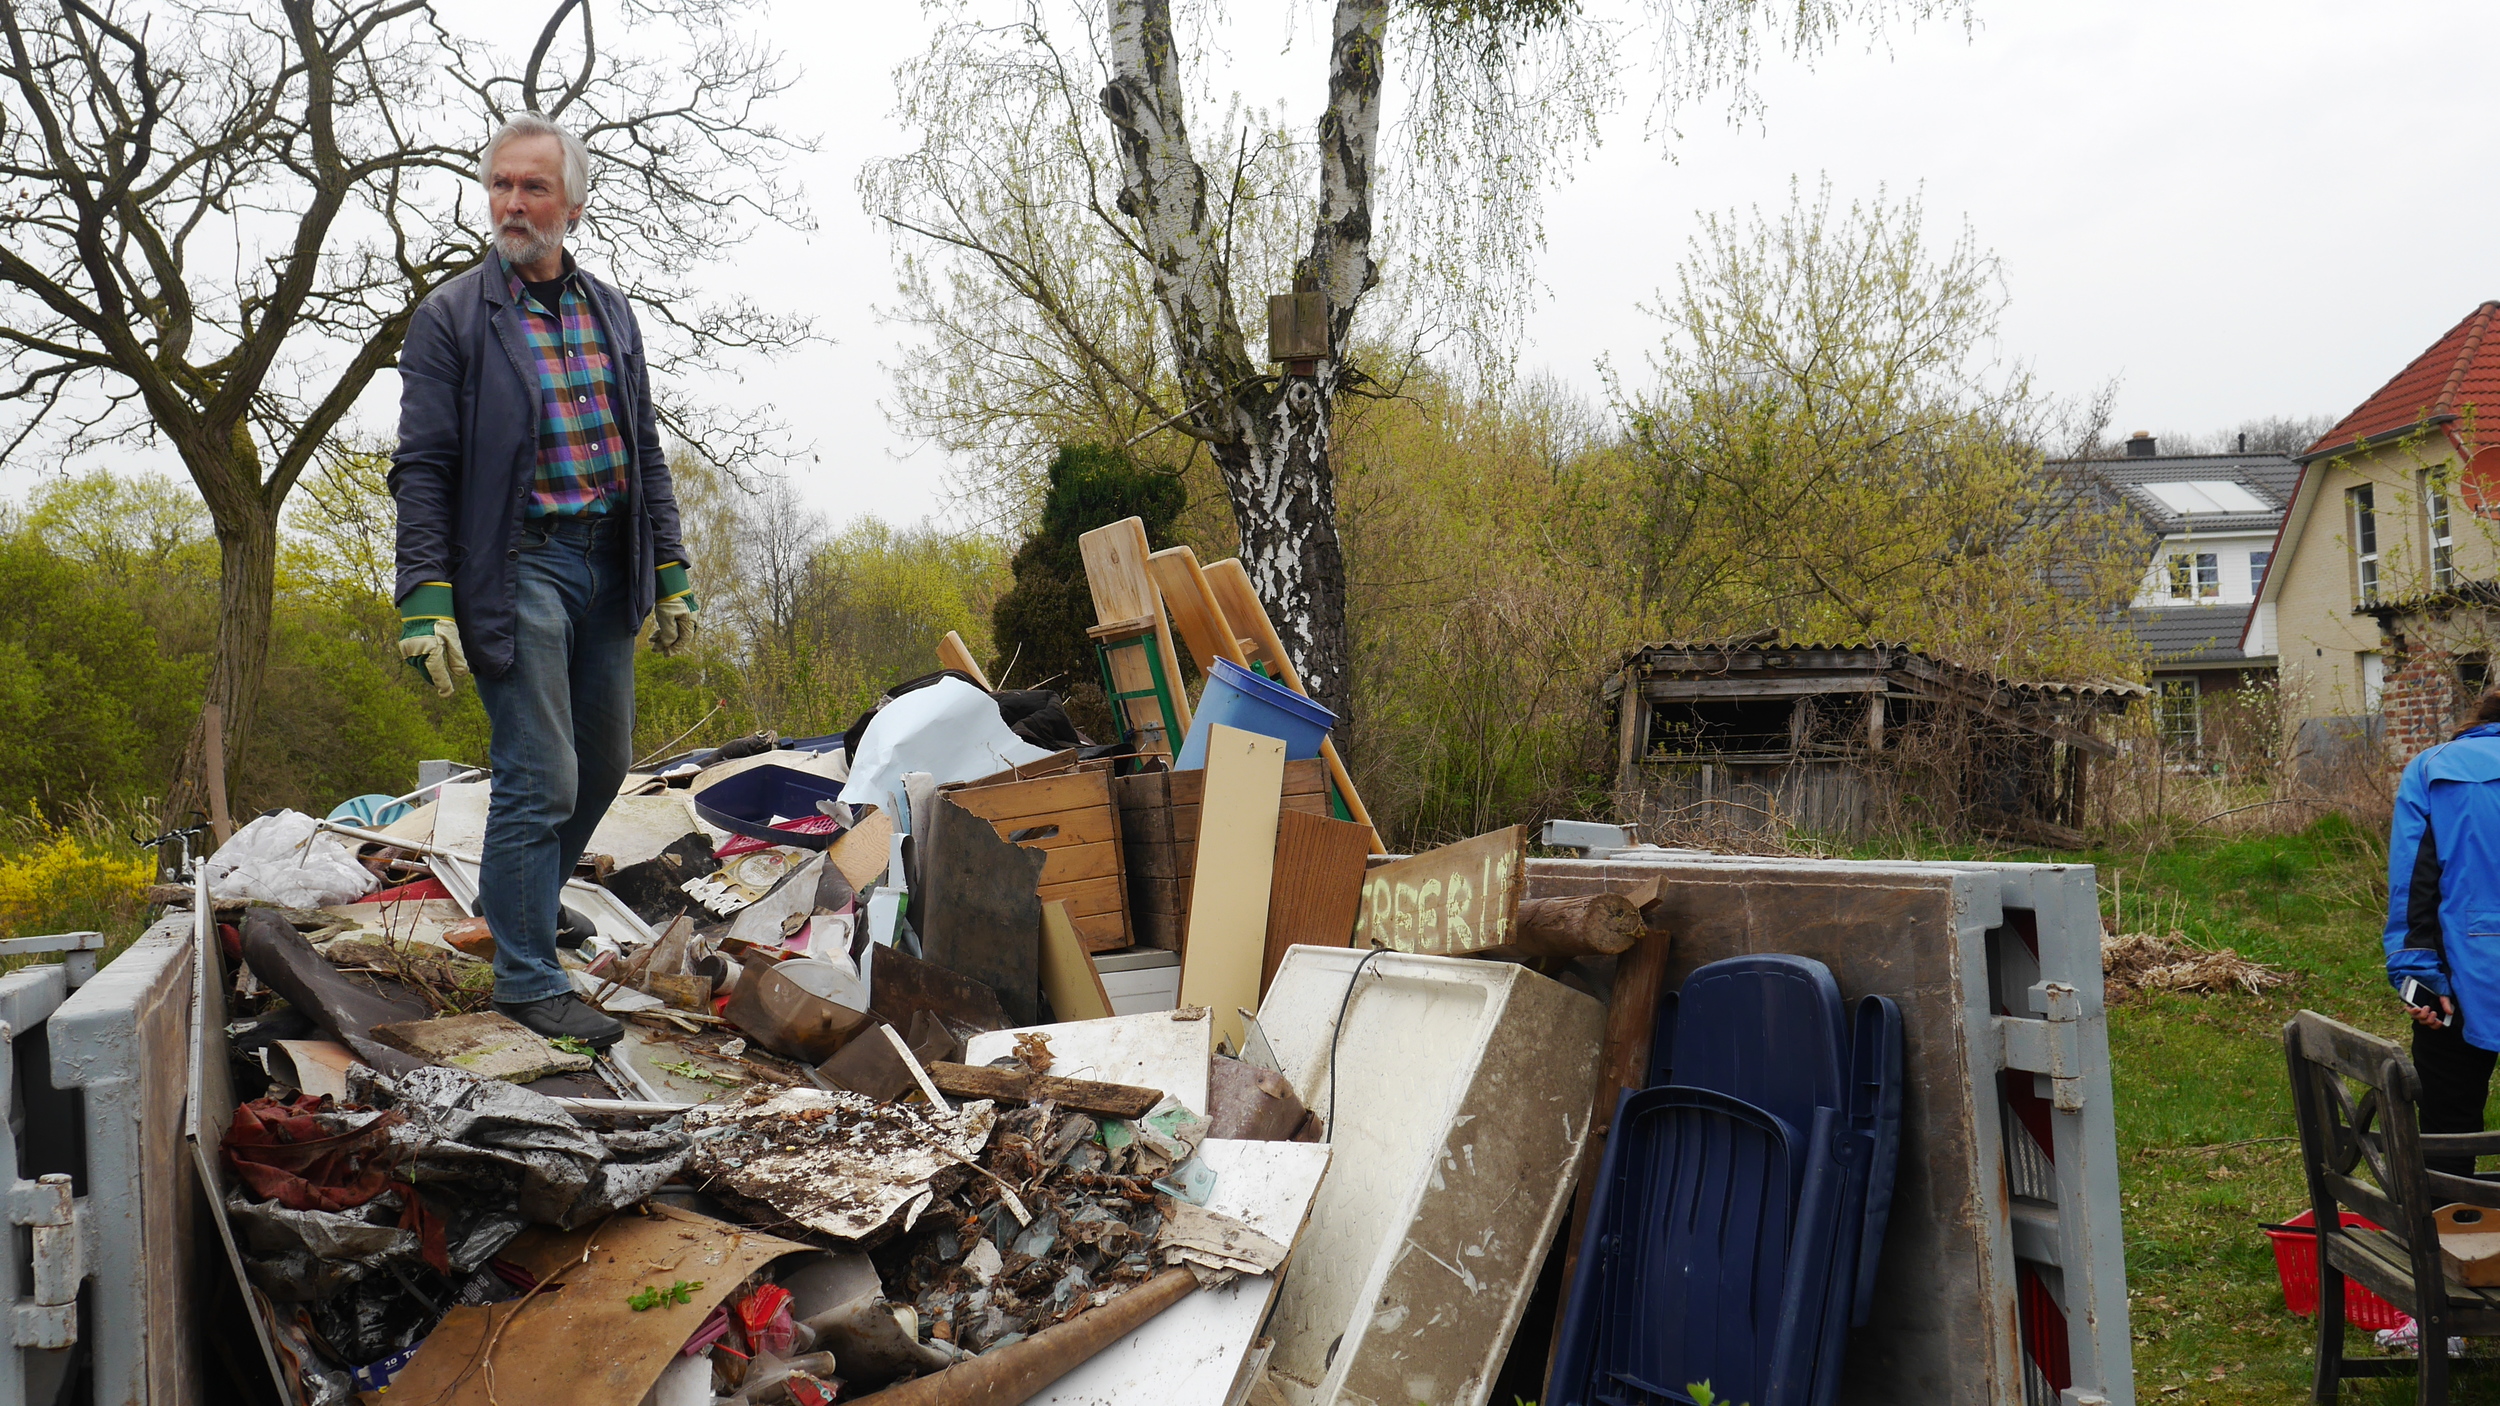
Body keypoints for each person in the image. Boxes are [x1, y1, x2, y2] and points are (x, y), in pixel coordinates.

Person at [388, 113, 699, 1049]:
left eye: (533, 188)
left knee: (603, 764)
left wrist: (671, 570)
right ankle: (527, 979)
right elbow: (425, 467)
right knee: (542, 773)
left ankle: (510, 903)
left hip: (608, 563)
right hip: (516, 563)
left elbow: (643, 448)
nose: (513, 205)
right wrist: (423, 596)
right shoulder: (452, 319)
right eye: (499, 186)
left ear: (573, 202)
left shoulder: (611, 310)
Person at [2386, 690, 2500, 1178]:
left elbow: (2413, 884)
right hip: (2464, 971)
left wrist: (2419, 983)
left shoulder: (2433, 769)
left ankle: (2450, 1241)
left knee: (2448, 1129)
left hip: (2460, 978)